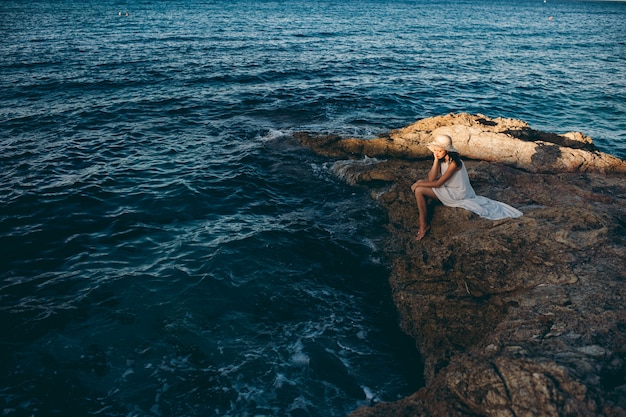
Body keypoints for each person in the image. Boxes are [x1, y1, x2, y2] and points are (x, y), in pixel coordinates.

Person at [411, 134, 523, 241]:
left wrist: (417, 184)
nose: (437, 153)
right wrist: (435, 160)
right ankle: (424, 222)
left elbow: (438, 183)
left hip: (458, 194)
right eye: (435, 150)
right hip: (449, 189)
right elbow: (431, 178)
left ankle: (423, 225)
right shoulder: (441, 159)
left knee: (419, 189)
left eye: (439, 151)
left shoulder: (455, 163)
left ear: (448, 150)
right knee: (421, 182)